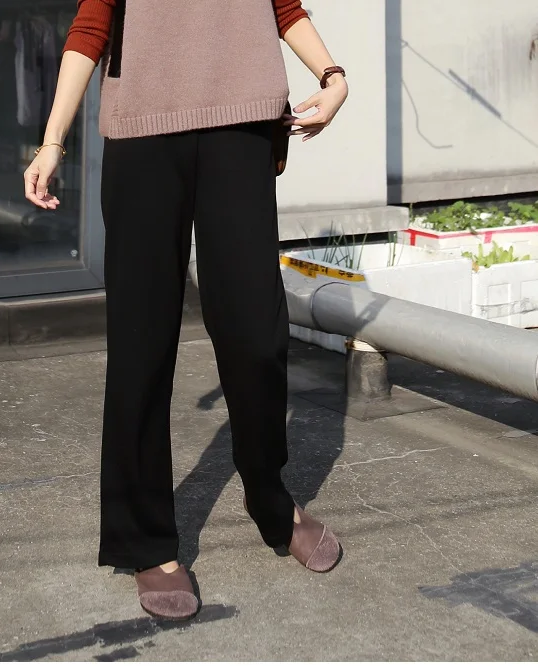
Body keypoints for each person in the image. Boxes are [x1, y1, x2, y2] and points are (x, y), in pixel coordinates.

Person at [24, 0, 348, 621]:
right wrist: (52, 141)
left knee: (257, 335)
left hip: (243, 129)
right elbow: (91, 27)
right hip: (143, 136)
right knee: (142, 343)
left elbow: (283, 8)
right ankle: (144, 539)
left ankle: (270, 498)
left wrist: (333, 77)